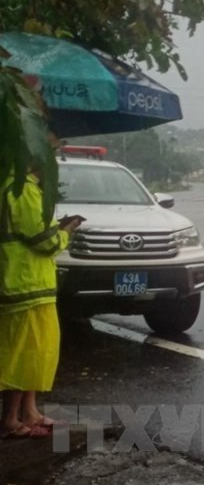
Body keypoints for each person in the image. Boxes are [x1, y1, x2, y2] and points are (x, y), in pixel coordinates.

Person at [0, 171, 82, 439]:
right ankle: (11, 419)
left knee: (36, 353)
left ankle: (30, 412)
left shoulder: (24, 185)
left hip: (33, 286)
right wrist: (65, 232)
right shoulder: (21, 187)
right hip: (24, 286)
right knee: (23, 354)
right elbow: (43, 241)